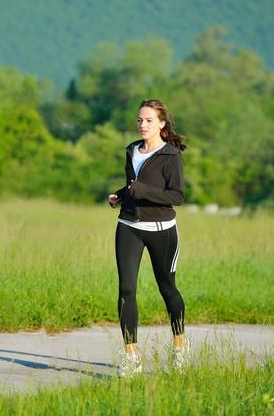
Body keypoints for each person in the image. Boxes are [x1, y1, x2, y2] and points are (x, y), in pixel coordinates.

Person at [108, 99, 189, 376]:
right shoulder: (132, 150)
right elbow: (135, 186)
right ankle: (131, 356)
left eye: (149, 121)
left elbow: (176, 196)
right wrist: (120, 195)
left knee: (168, 289)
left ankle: (179, 347)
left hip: (161, 230)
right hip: (128, 225)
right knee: (126, 289)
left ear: (162, 124)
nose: (143, 125)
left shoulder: (171, 156)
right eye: (140, 120)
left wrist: (142, 191)